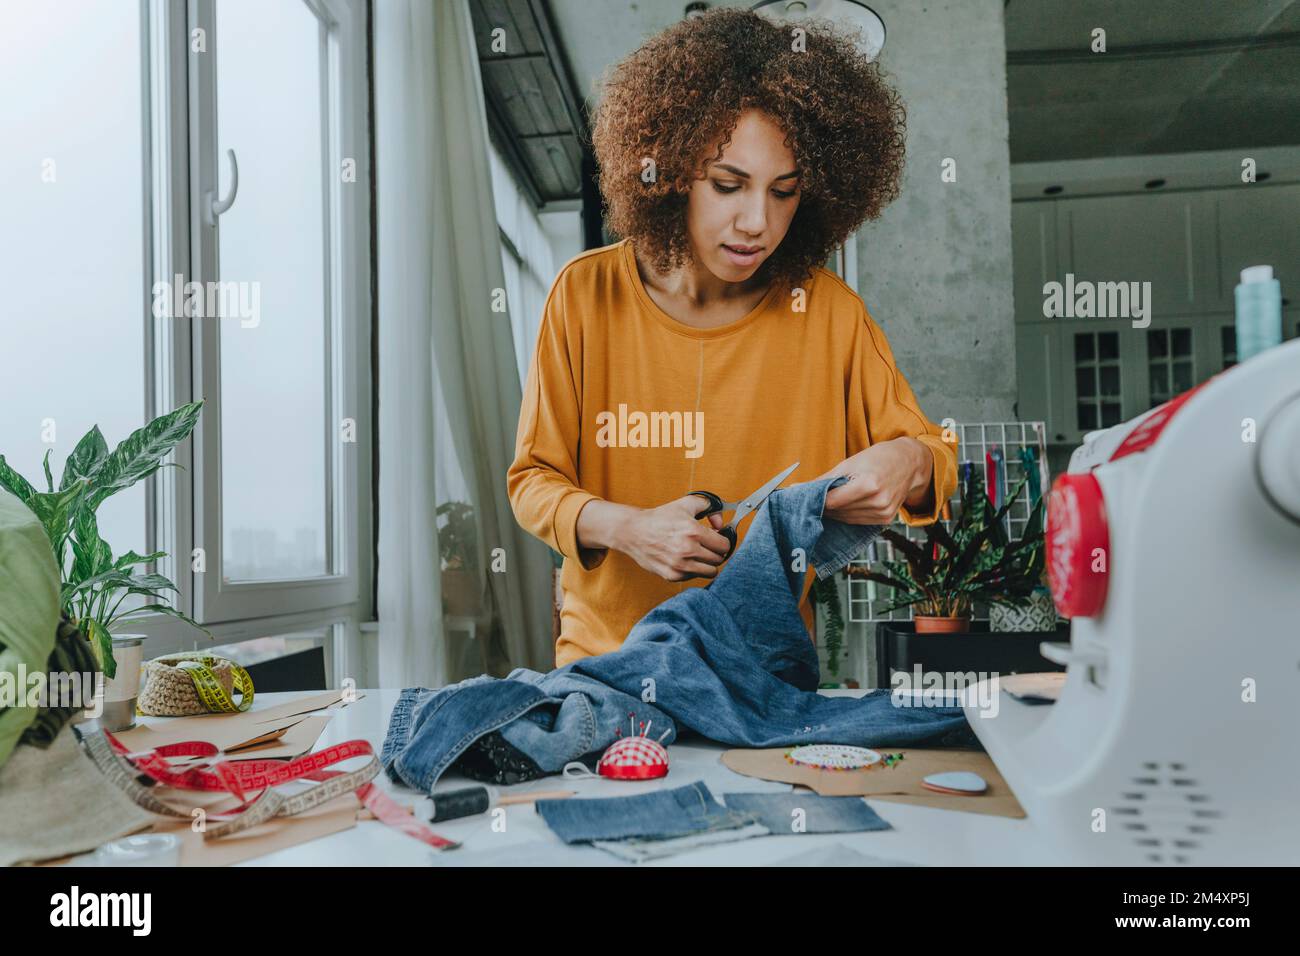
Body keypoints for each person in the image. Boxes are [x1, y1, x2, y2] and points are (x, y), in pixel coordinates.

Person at [507, 8, 956, 667]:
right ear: (669, 172)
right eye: (728, 185)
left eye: (784, 191)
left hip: (762, 678)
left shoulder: (829, 314)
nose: (757, 223)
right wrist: (630, 530)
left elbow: (933, 457)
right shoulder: (584, 296)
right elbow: (533, 481)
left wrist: (907, 464)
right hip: (605, 667)